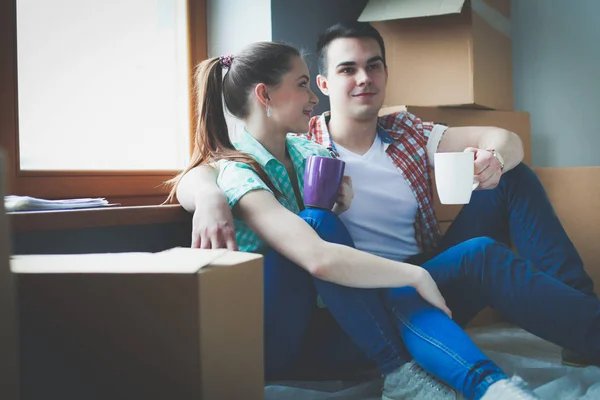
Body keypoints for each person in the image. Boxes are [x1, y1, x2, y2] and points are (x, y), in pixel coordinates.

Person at [167, 40, 600, 400]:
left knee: (498, 198)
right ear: (322, 83)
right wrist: (206, 193)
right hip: (322, 308)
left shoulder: (335, 147)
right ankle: (414, 372)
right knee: (322, 228)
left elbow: (504, 141)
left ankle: (532, 359)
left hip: (384, 281)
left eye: (374, 66)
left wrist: (492, 159)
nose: (363, 79)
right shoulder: (299, 142)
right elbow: (213, 166)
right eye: (344, 70)